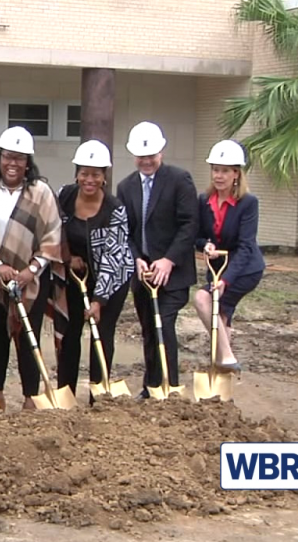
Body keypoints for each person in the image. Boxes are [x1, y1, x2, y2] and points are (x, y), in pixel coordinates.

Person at [0, 126, 64, 411]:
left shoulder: (41, 192)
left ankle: (30, 397)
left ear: (28, 163)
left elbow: (52, 235)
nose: (13, 163)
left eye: (20, 158)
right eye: (8, 156)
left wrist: (30, 271)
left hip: (30, 280)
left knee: (27, 337)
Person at [115, 121, 198, 399]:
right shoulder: (126, 187)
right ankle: (150, 387)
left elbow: (189, 225)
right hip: (144, 274)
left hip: (172, 273)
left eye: (151, 155)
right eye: (141, 156)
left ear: (161, 152)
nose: (146, 161)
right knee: (149, 328)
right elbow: (126, 231)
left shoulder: (179, 179)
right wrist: (137, 259)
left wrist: (169, 260)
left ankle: (170, 386)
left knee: (164, 321)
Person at [55, 140, 134, 401]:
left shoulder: (114, 209)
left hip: (111, 279)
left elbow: (114, 256)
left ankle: (96, 398)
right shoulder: (64, 196)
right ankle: (65, 393)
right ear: (77, 173)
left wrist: (99, 300)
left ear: (104, 177)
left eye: (96, 174)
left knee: (101, 334)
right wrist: (68, 257)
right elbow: (55, 232)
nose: (89, 179)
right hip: (75, 276)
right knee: (70, 332)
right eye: (84, 173)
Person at [194, 140, 265, 372]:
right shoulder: (204, 201)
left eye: (225, 171)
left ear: (236, 173)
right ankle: (222, 369)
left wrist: (226, 280)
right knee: (221, 312)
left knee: (204, 300)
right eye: (215, 169)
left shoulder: (248, 203)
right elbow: (196, 236)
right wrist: (206, 245)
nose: (219, 175)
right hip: (218, 265)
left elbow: (246, 246)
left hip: (244, 270)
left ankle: (226, 357)